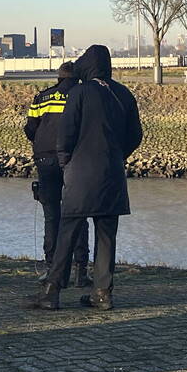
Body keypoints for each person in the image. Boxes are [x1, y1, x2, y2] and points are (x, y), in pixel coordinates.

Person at [33, 45, 142, 311]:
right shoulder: (124, 94)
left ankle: (52, 292)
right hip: (112, 174)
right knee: (106, 236)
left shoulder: (79, 93)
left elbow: (66, 134)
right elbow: (135, 135)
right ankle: (102, 293)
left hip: (80, 173)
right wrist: (118, 155)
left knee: (68, 232)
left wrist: (66, 162)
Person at [23, 61, 92, 288]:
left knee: (51, 215)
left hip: (45, 160)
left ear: (59, 77)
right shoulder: (83, 96)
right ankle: (80, 270)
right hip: (74, 160)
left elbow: (30, 129)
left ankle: (51, 269)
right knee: (79, 214)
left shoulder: (42, 97)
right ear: (78, 78)